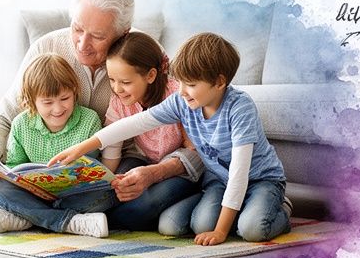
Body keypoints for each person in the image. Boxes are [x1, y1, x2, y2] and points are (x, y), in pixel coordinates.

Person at [51, 32, 292, 245]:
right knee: (201, 226)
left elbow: (240, 173)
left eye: (191, 84)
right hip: (219, 180)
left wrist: (220, 232)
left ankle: (278, 208)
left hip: (260, 180)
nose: (182, 91)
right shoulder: (183, 101)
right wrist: (82, 148)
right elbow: (136, 123)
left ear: (219, 83)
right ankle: (244, 212)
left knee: (252, 230)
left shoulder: (240, 109)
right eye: (181, 83)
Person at [0, 0, 133, 229]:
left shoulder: (140, 55)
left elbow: (152, 131)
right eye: (77, 29)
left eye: (97, 36)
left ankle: (5, 214)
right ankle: (51, 218)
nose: (83, 44)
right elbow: (3, 117)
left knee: (128, 197)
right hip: (34, 177)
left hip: (106, 169)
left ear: (122, 34)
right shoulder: (47, 47)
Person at [0, 53, 117, 237]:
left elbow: (91, 171)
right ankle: (68, 222)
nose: (58, 109)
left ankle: (26, 217)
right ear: (31, 101)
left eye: (64, 99)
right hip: (34, 194)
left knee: (110, 192)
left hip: (74, 195)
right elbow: (13, 166)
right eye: (48, 102)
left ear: (74, 91)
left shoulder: (89, 120)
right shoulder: (21, 124)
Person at [99, 31, 203, 231]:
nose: (117, 89)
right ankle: (102, 216)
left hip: (179, 165)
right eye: (112, 80)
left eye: (125, 82)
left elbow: (195, 152)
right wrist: (107, 183)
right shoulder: (119, 101)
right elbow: (112, 145)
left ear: (151, 75)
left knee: (142, 206)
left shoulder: (177, 96)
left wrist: (154, 174)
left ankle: (113, 220)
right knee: (118, 188)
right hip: (143, 158)